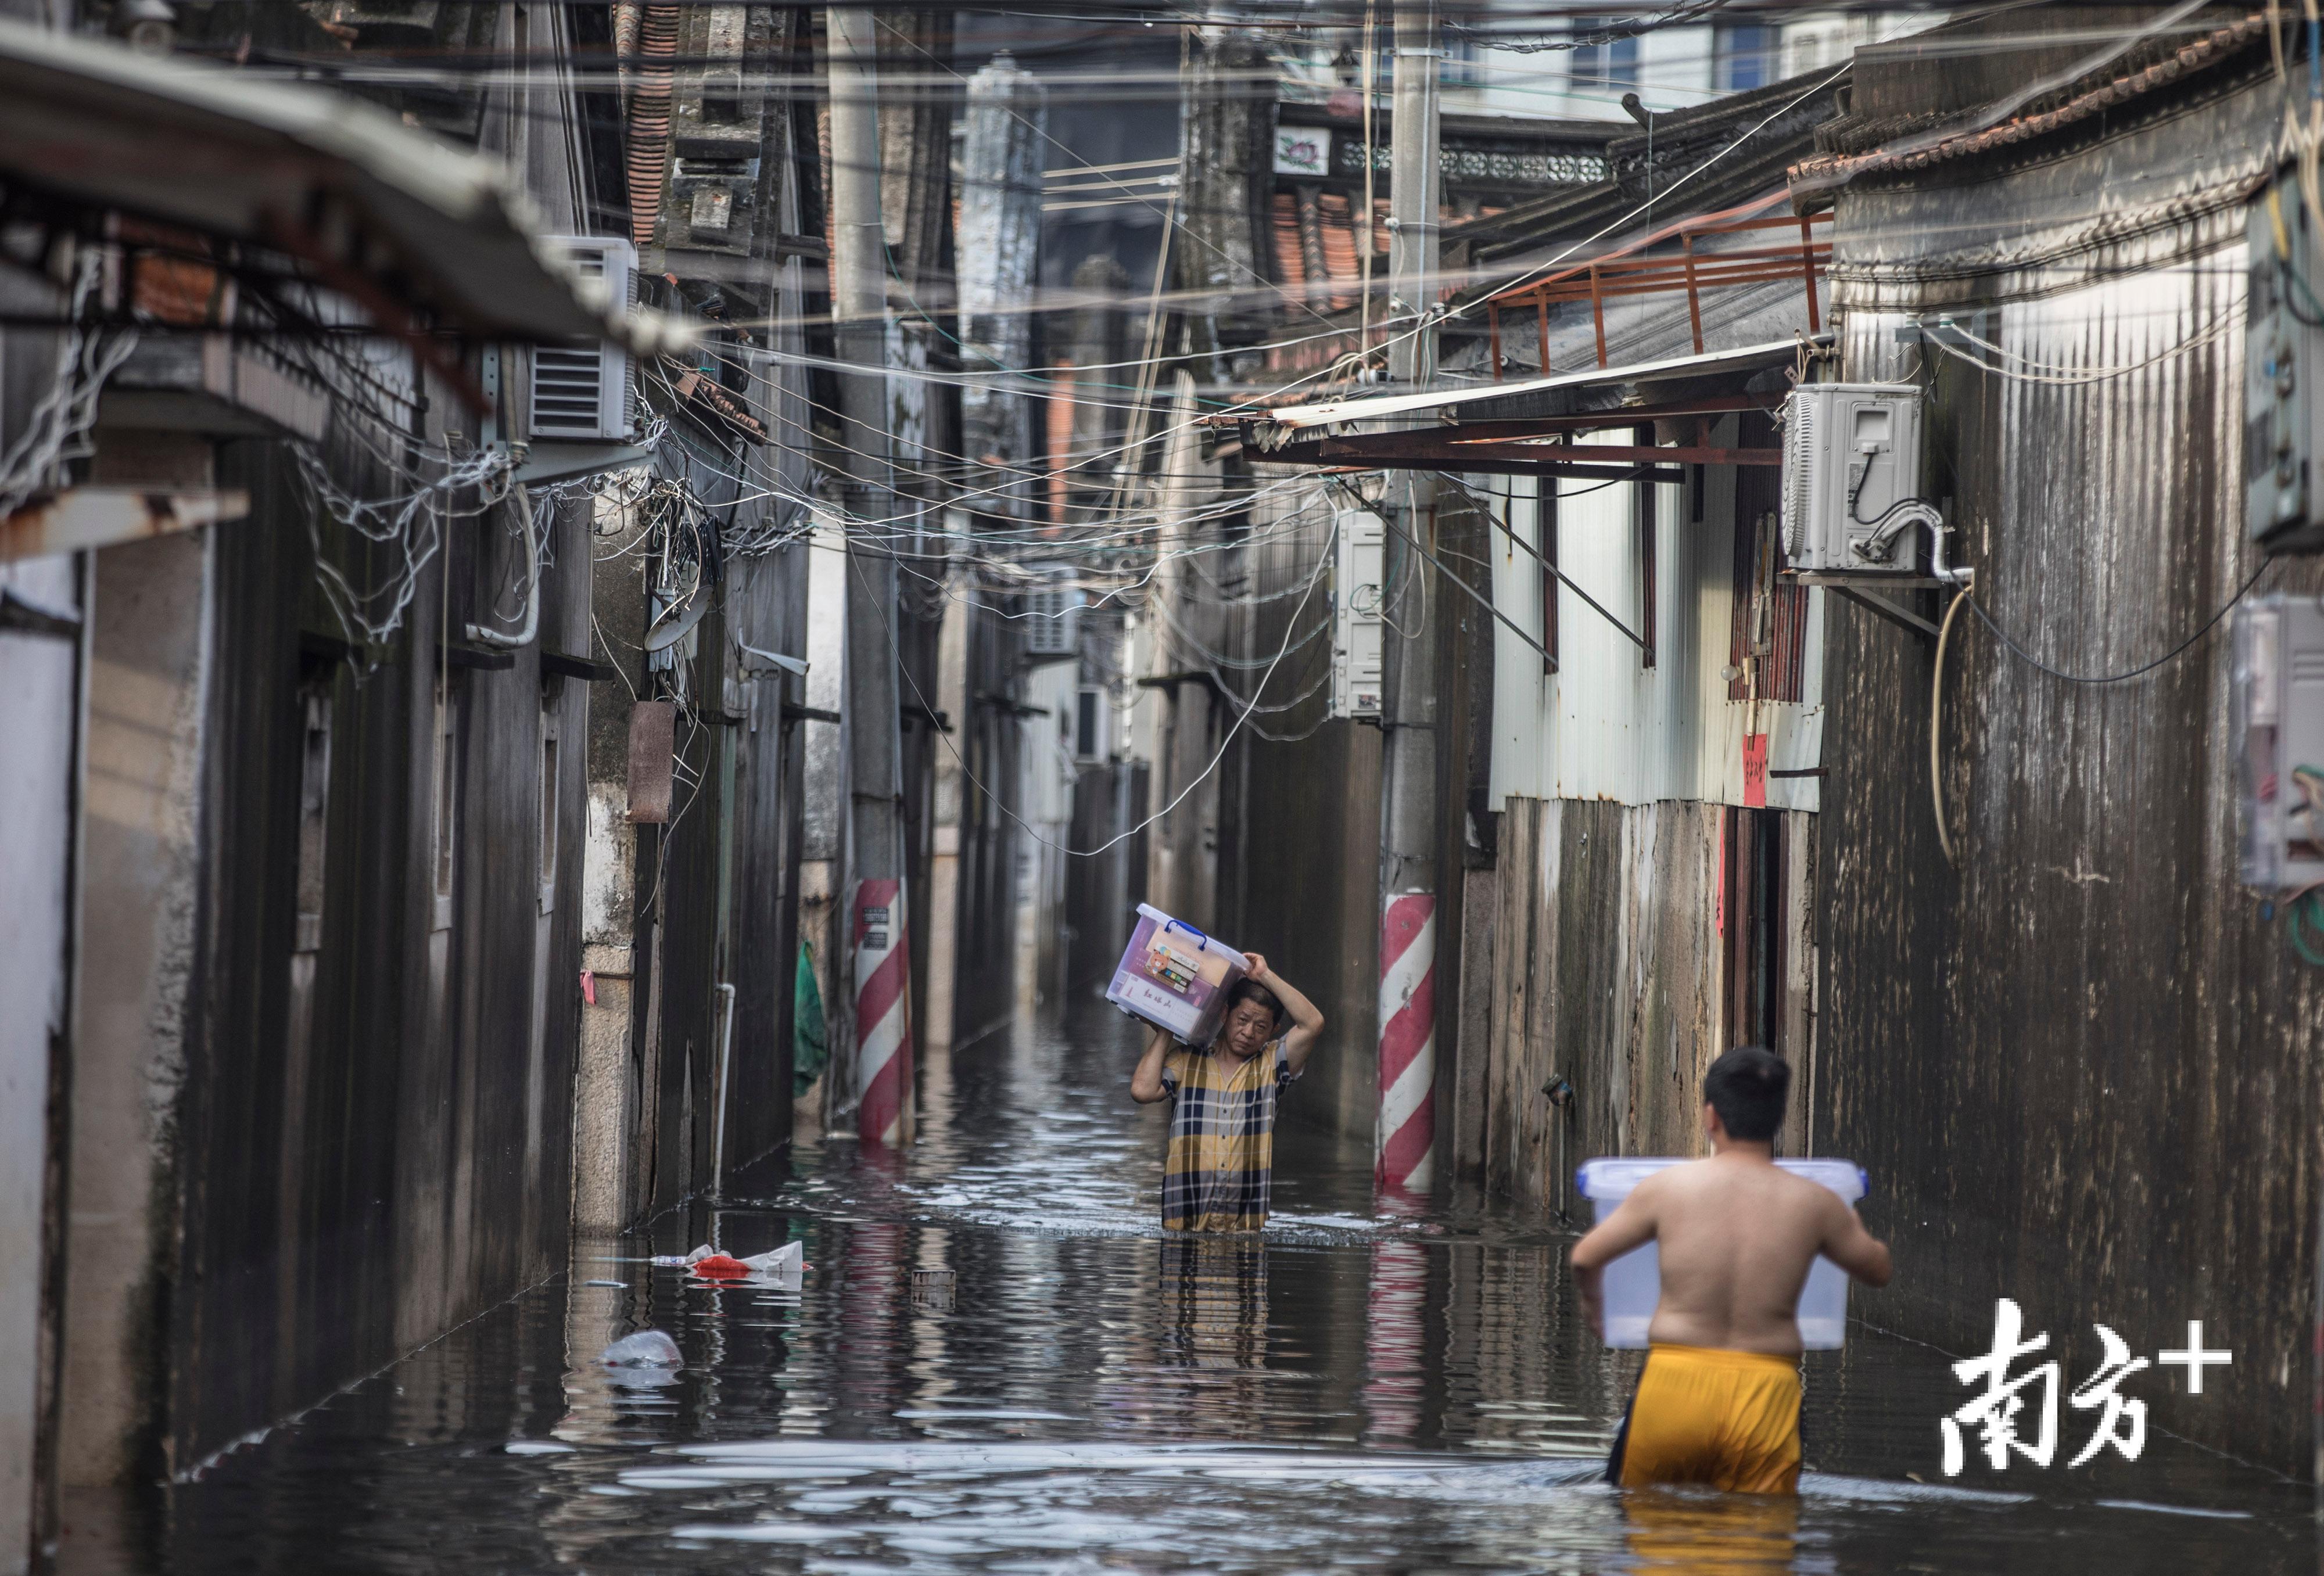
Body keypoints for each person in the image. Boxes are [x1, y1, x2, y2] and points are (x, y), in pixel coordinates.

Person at [1569, 1046, 1892, 1495]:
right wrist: (1845, 1213)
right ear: (1778, 1118)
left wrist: (1594, 1310)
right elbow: (1878, 1270)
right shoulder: (1816, 1202)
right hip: (1767, 1388)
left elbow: (1585, 1257)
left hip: (1675, 1382)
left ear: (1710, 1116)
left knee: (1652, 1538)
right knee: (1758, 1545)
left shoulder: (1666, 1189)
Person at [1129, 955, 1324, 1233]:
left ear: (1273, 1031)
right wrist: (1165, 1031)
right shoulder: (1188, 1060)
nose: (1248, 1032)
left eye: (1260, 1027)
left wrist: (1265, 975)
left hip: (1244, 1228)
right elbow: (1142, 1091)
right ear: (1224, 1014)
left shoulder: (1272, 1065)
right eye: (1242, 1020)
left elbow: (1313, 1023)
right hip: (1183, 1225)